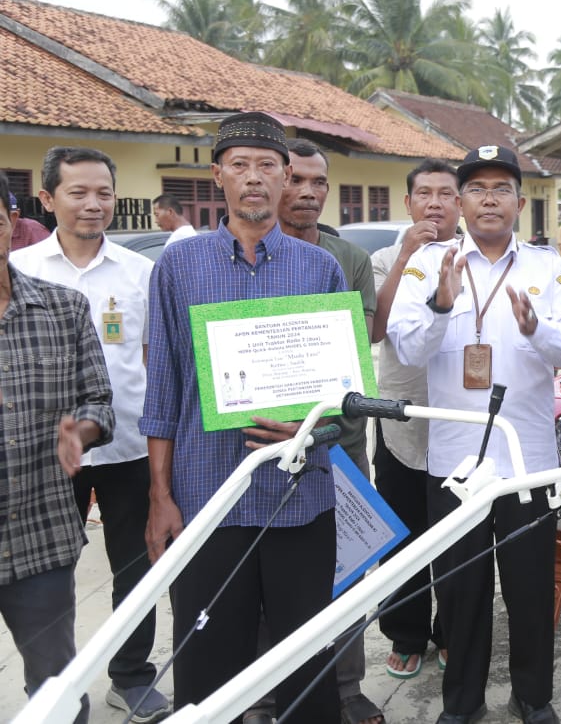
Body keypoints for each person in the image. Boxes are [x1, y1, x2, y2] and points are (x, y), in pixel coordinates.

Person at [141, 112, 346, 722]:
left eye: (266, 166)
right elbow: (165, 389)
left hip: (298, 496)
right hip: (207, 499)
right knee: (207, 662)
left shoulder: (320, 269)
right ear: (218, 177)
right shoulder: (179, 267)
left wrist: (313, 429)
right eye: (239, 165)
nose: (253, 178)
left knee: (306, 661)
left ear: (286, 178)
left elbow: (342, 401)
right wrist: (160, 495)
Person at [386, 144, 561, 724]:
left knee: (528, 589)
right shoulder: (431, 263)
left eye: (501, 188)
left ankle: (532, 697)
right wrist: (442, 306)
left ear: (521, 202)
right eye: (476, 188)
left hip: (525, 458)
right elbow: (405, 345)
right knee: (460, 591)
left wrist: (536, 328)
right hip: (453, 461)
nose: (489, 199)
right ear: (460, 201)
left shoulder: (547, 267)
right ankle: (462, 703)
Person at [12, 148, 169, 723]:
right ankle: (58, 685)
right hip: (47, 456)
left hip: (127, 444)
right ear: (48, 199)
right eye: (78, 193)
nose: (94, 204)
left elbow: (158, 363)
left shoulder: (141, 272)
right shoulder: (21, 267)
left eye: (104, 192)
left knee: (136, 567)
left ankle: (130, 676)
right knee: (48, 580)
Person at [259, 138, 379, 724]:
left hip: (342, 447)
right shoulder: (246, 258)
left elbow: (352, 356)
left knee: (347, 570)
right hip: (263, 446)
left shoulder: (346, 260)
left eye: (318, 182)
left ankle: (346, 689)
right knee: (267, 574)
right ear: (275, 181)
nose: (307, 192)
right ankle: (263, 695)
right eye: (296, 179)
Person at [0, 172, 112, 724]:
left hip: (39, 536)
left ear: (11, 225)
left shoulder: (64, 308)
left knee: (56, 686)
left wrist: (82, 431)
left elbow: (98, 399)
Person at [369, 158, 462, 682]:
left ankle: (452, 629)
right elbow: (377, 330)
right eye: (423, 193)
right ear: (407, 204)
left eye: (445, 194)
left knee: (457, 533)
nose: (434, 203)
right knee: (402, 532)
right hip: (400, 416)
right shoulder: (385, 258)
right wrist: (408, 253)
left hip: (462, 419)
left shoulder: (480, 258)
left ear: (460, 203)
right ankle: (406, 633)